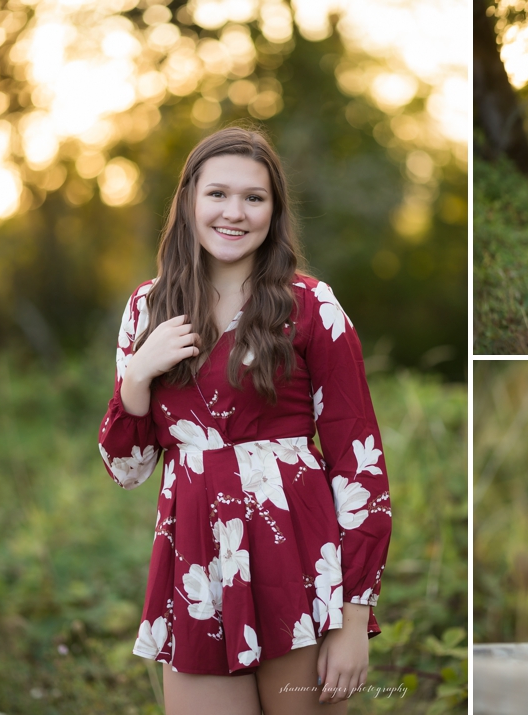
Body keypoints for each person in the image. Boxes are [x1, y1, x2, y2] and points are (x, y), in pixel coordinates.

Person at [97, 126, 392, 711]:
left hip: (300, 565)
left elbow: (360, 465)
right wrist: (138, 374)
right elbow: (127, 469)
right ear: (189, 200)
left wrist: (354, 616)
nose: (234, 212)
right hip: (197, 566)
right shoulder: (148, 308)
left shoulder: (312, 306)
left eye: (253, 197)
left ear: (273, 211)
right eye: (218, 194)